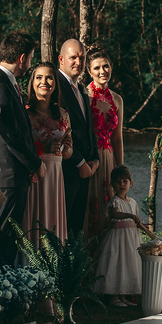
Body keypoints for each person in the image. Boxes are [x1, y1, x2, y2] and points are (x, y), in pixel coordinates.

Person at [0, 31, 41, 265]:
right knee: (3, 236)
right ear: (22, 58)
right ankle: (1, 290)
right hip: (8, 174)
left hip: (15, 173)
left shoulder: (7, 81)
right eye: (31, 58)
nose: (30, 64)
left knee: (10, 237)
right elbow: (10, 134)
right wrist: (35, 163)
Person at [22, 63, 72, 247]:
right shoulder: (25, 113)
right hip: (34, 175)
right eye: (39, 77)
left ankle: (53, 268)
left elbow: (68, 153)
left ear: (55, 83)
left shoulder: (63, 115)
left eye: (49, 77)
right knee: (33, 221)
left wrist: (65, 149)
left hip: (55, 177)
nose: (44, 81)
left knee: (53, 223)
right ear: (32, 82)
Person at [56, 39, 98, 241]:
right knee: (62, 228)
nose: (78, 62)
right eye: (73, 57)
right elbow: (58, 131)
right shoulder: (55, 86)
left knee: (76, 229)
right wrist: (80, 161)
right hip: (66, 169)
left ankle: (73, 271)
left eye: (81, 58)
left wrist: (95, 158)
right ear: (61, 59)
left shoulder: (80, 89)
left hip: (85, 170)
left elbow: (88, 129)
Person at [94, 165, 153, 307]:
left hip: (131, 240)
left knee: (128, 265)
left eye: (125, 181)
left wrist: (149, 233)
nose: (121, 184)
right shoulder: (115, 202)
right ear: (113, 184)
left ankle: (123, 295)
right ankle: (114, 296)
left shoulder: (133, 203)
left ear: (130, 183)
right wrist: (130, 215)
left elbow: (136, 223)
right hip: (118, 240)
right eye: (118, 181)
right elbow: (115, 214)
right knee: (117, 264)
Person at [84, 48, 124, 239]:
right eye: (97, 67)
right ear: (89, 71)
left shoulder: (117, 99)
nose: (102, 71)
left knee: (108, 208)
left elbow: (117, 137)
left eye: (106, 66)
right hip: (90, 158)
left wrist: (121, 167)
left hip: (109, 159)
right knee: (90, 208)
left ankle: (107, 260)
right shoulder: (84, 95)